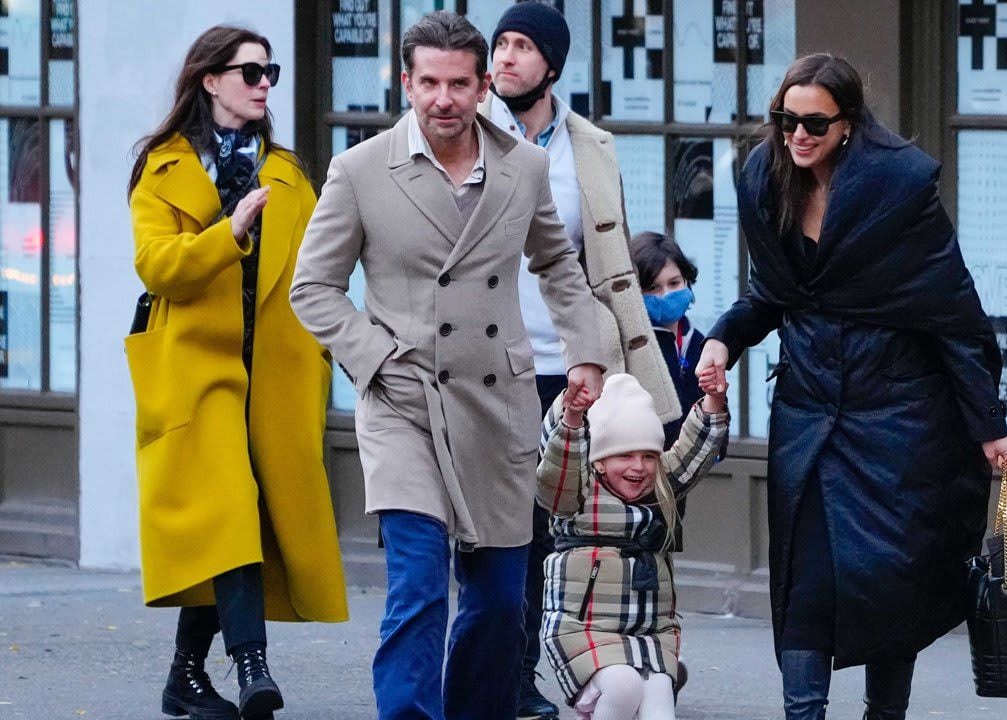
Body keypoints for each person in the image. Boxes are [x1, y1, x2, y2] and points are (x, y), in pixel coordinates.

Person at [288, 11, 604, 720]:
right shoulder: (361, 169)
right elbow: (312, 288)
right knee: (419, 586)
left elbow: (555, 259)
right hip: (405, 402)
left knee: (497, 602)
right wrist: (376, 358)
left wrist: (587, 349)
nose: (443, 99)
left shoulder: (522, 166)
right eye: (428, 82)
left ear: (483, 84)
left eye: (459, 84)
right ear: (406, 82)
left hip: (498, 405)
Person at [694, 54, 1007, 720]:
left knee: (889, 586)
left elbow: (953, 318)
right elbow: (774, 294)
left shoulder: (898, 190)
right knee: (805, 584)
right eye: (785, 120)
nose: (797, 135)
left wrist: (990, 424)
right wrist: (724, 339)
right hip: (809, 417)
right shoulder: (763, 179)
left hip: (898, 421)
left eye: (814, 122)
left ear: (848, 123)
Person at [125, 25, 348, 720]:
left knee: (243, 520)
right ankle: (253, 669)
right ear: (209, 80)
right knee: (229, 502)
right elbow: (158, 268)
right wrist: (230, 232)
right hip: (198, 373)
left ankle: (184, 677)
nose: (263, 85)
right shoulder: (161, 168)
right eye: (249, 72)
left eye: (270, 72)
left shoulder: (286, 172)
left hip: (274, 374)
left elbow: (320, 272)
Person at [483, 5, 681, 717]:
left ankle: (544, 672)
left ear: (553, 66)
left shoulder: (589, 144)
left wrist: (610, 359)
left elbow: (608, 259)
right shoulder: (469, 131)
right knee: (501, 530)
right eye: (500, 44)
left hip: (570, 366)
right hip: (488, 361)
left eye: (522, 46)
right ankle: (501, 675)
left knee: (556, 527)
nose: (505, 57)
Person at [536, 373, 728, 720]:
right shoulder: (577, 494)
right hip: (584, 631)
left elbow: (691, 456)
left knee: (658, 702)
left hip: (649, 633)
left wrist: (713, 403)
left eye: (648, 456)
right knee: (623, 687)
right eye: (624, 455)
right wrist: (574, 418)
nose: (638, 467)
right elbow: (558, 469)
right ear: (598, 460)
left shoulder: (657, 487)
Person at [631, 231, 705, 447]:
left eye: (674, 283)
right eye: (653, 288)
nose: (665, 295)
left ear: (687, 282)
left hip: (690, 463)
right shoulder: (633, 344)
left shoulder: (699, 342)